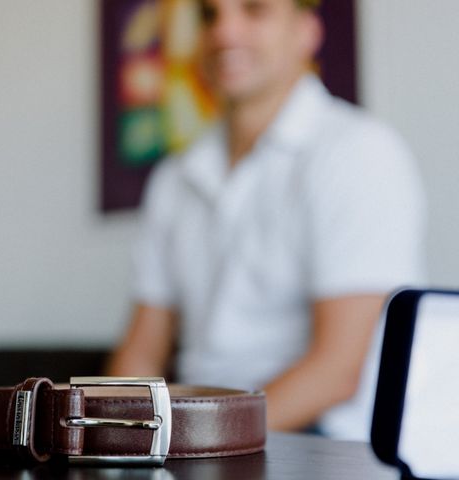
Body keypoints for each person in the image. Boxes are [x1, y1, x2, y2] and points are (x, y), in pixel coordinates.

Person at [106, 0, 426, 440]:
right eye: (209, 16)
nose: (224, 33)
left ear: (306, 31)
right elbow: (141, 351)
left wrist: (193, 439)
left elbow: (341, 367)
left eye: (254, 10)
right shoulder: (174, 179)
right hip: (202, 436)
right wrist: (117, 440)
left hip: (317, 445)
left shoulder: (359, 152)